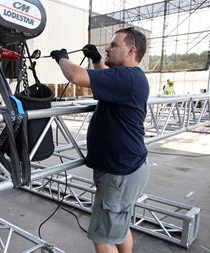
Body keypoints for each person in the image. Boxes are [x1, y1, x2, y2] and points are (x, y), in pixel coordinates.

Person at [50, 27, 150, 253]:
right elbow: (105, 83)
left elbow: (75, 76)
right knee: (119, 227)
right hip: (129, 167)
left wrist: (61, 58)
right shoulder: (130, 78)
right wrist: (97, 60)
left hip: (120, 172)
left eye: (114, 45)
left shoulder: (127, 77)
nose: (107, 48)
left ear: (131, 50)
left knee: (102, 237)